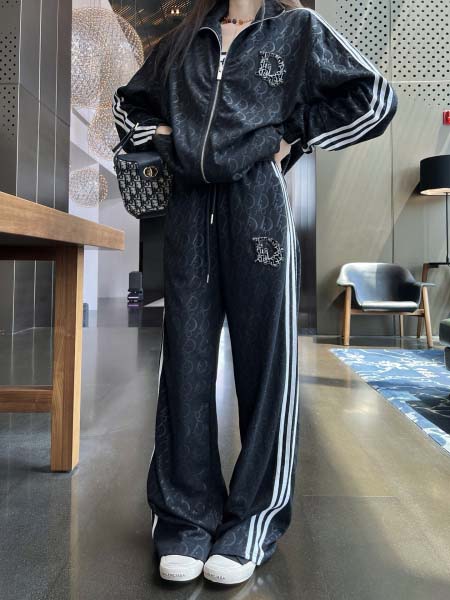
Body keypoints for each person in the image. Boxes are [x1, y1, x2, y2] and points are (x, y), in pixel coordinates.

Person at [113, 0, 398, 586]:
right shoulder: (184, 39)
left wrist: (295, 135)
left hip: (258, 211)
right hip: (189, 216)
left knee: (265, 370)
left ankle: (253, 521)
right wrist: (166, 135)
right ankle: (185, 520)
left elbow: (375, 98)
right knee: (185, 369)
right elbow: (126, 106)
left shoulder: (296, 29)